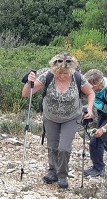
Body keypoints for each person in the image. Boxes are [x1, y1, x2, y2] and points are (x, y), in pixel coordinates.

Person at [23, 53, 95, 189]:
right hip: (50, 117)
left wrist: (89, 109)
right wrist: (29, 82)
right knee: (52, 146)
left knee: (64, 148)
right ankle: (52, 171)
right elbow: (26, 94)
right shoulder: (47, 76)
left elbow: (90, 93)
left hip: (71, 117)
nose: (62, 76)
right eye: (59, 73)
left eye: (66, 73)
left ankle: (62, 175)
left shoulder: (77, 77)